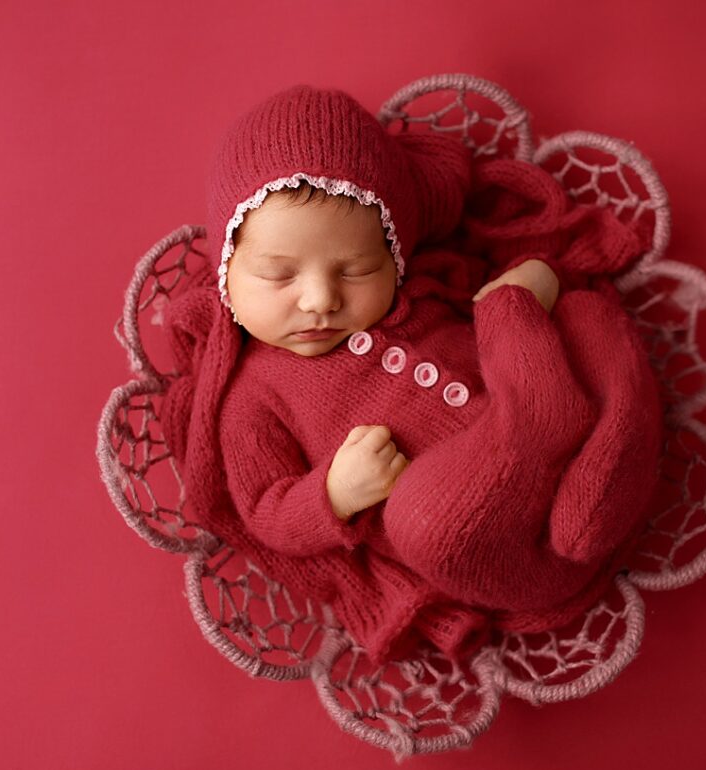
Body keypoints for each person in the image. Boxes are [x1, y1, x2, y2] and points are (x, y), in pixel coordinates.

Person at [161, 84, 663, 661]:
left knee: (586, 313)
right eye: (279, 276)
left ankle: (597, 465)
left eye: (356, 270)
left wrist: (530, 284)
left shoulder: (423, 291)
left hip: (579, 481)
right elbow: (265, 511)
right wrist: (335, 492)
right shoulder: (253, 397)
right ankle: (554, 430)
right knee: (421, 516)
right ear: (227, 273)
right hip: (496, 544)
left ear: (395, 257)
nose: (321, 299)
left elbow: (508, 295)